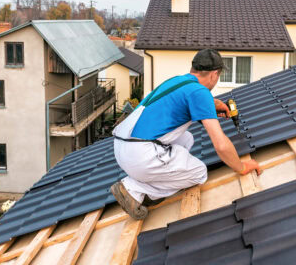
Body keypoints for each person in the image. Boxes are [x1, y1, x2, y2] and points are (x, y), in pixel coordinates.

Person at [110, 49, 262, 220]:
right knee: (198, 172)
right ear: (214, 74)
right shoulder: (200, 92)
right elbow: (220, 144)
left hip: (123, 146)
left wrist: (213, 105)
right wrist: (242, 167)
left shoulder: (179, 81)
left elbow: (183, 101)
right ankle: (134, 189)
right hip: (140, 155)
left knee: (187, 138)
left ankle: (152, 175)